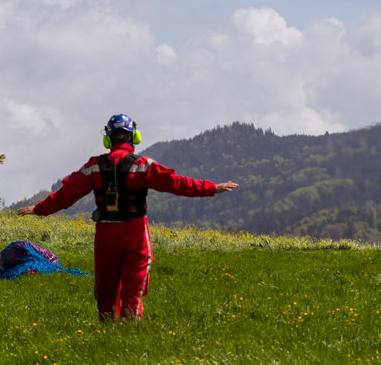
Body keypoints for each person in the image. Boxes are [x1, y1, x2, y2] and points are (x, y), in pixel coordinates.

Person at [31, 114, 238, 322]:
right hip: (135, 234)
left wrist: (38, 209)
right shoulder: (143, 165)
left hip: (105, 238)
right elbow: (177, 183)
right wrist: (212, 188)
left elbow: (65, 195)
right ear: (134, 136)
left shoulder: (93, 166)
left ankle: (107, 331)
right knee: (133, 294)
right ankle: (130, 330)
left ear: (108, 139)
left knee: (106, 295)